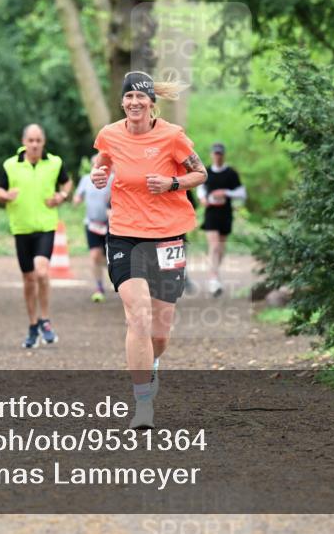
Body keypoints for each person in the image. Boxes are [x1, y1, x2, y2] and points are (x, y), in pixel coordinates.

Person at [91, 71, 207, 429]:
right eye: (128, 98)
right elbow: (103, 164)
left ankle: (152, 364)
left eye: (141, 98)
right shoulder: (109, 135)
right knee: (137, 315)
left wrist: (173, 182)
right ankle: (143, 402)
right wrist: (99, 175)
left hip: (168, 236)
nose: (134, 103)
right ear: (122, 102)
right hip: (125, 234)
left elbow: (200, 173)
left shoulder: (172, 137)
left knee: (160, 330)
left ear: (152, 103)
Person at [0, 124, 72, 349]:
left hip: (46, 226)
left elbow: (66, 181)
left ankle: (45, 319)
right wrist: (5, 195)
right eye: (31, 140)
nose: (35, 144)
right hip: (21, 228)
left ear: (43, 141)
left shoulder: (54, 163)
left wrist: (62, 195)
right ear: (24, 141)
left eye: (38, 140)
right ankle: (33, 324)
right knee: (28, 279)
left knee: (41, 271)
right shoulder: (10, 165)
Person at [198, 142, 246, 297]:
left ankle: (215, 274)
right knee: (214, 245)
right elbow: (200, 189)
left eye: (220, 154)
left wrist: (225, 193)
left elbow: (242, 193)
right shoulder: (205, 172)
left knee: (221, 248)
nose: (217, 156)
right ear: (212, 154)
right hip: (211, 213)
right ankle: (213, 279)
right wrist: (204, 199)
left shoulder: (231, 173)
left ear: (223, 155)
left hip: (225, 214)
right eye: (215, 153)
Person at [73, 155, 113, 302]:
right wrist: (76, 200)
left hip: (110, 224)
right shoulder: (85, 179)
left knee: (112, 257)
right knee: (95, 255)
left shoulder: (113, 178)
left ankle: (116, 270)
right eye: (95, 163)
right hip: (91, 223)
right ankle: (99, 286)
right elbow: (78, 196)